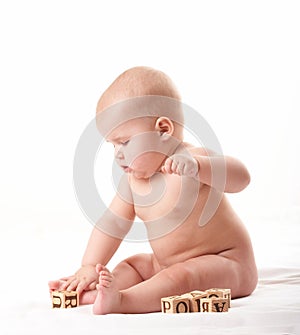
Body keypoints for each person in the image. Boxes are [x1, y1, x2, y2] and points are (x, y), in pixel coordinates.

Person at [49, 66, 257, 314]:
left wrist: (199, 168)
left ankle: (124, 301)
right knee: (134, 265)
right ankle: (94, 293)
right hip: (165, 264)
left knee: (181, 277)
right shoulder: (133, 183)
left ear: (164, 131)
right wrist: (89, 266)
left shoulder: (192, 162)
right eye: (112, 145)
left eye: (124, 141)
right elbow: (112, 225)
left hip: (226, 262)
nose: (118, 154)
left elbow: (242, 178)